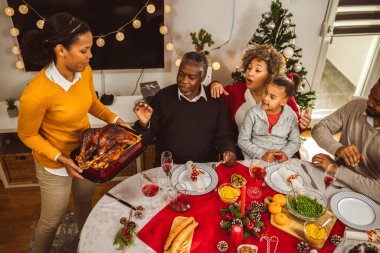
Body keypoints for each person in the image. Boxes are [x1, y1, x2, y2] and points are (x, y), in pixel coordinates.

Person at [17, 13, 130, 252]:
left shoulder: (84, 72)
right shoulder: (35, 93)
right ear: (61, 50)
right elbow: (27, 135)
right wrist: (60, 158)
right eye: (84, 50)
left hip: (85, 155)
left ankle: (86, 244)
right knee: (51, 221)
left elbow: (92, 103)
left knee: (83, 202)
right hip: (55, 164)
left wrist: (117, 120)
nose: (90, 56)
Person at [133, 51, 236, 167]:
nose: (184, 80)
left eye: (191, 77)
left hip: (204, 166)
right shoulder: (162, 97)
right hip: (170, 166)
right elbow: (146, 140)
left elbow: (224, 135)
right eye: (181, 74)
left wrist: (228, 150)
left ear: (202, 77)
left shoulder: (215, 100)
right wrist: (144, 124)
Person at [210, 44, 311, 158]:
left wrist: (303, 125)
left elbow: (293, 130)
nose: (250, 73)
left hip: (280, 157)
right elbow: (212, 100)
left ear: (270, 75)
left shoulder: (284, 98)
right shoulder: (234, 91)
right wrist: (215, 84)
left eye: (257, 70)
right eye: (249, 68)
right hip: (245, 156)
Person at [311, 79, 380, 203]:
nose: (369, 103)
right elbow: (319, 128)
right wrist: (337, 148)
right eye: (370, 95)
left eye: (378, 102)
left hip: (368, 199)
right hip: (336, 181)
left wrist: (337, 170)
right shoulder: (356, 105)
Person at [238, 75, 301, 162]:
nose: (265, 98)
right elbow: (242, 140)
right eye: (265, 92)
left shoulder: (291, 116)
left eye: (272, 97)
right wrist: (262, 154)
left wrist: (286, 153)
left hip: (281, 162)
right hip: (255, 160)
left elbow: (295, 142)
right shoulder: (252, 113)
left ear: (283, 101)